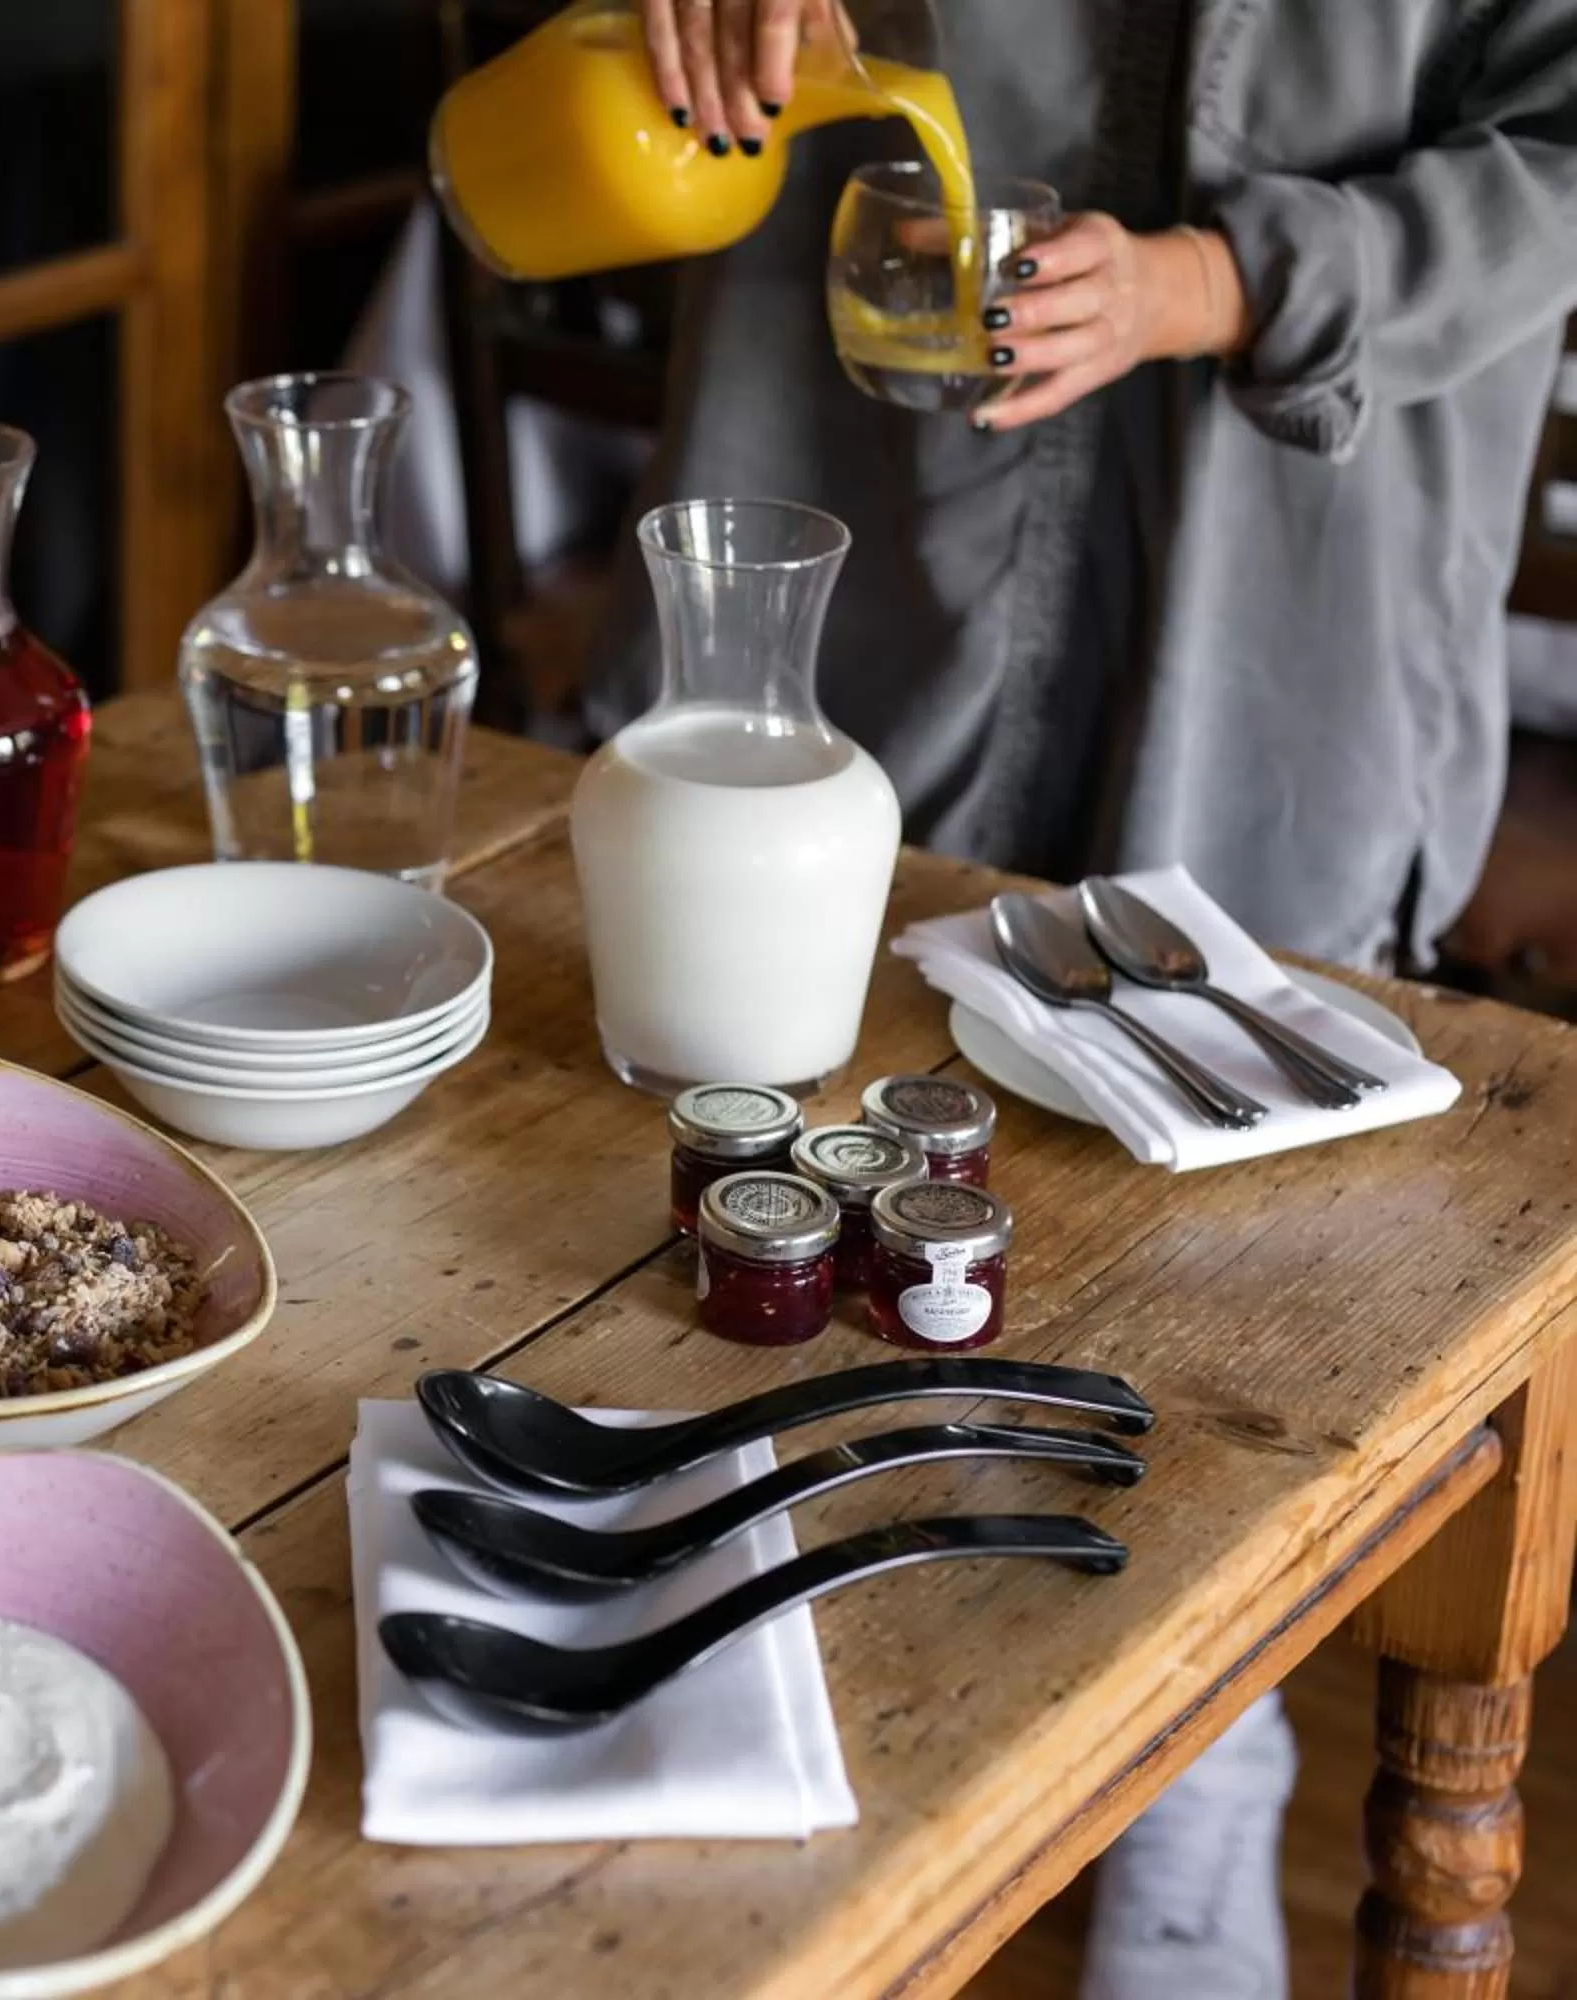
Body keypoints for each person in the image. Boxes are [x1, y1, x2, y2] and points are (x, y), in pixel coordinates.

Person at [406, 2, 1575, 1992]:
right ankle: (795, 1735)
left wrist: (1229, 283)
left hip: (1296, 568)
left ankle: (1203, 1767)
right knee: (776, 1151)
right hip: (860, 502)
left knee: (1225, 1239)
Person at [564, 0, 1577, 976]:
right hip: (848, 456)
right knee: (746, 936)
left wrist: (1218, 286)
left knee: (1208, 1016)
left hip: (1290, 543)